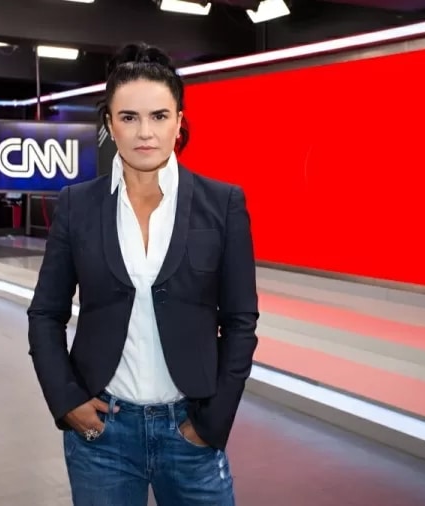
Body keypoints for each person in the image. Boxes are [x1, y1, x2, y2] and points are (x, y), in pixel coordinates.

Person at [27, 42, 259, 506]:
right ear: (110, 124)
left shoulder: (223, 204)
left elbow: (240, 321)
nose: (145, 132)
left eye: (159, 116)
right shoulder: (77, 205)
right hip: (102, 435)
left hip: (191, 431)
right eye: (129, 117)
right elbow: (45, 314)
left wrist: (213, 422)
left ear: (179, 122)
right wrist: (66, 400)